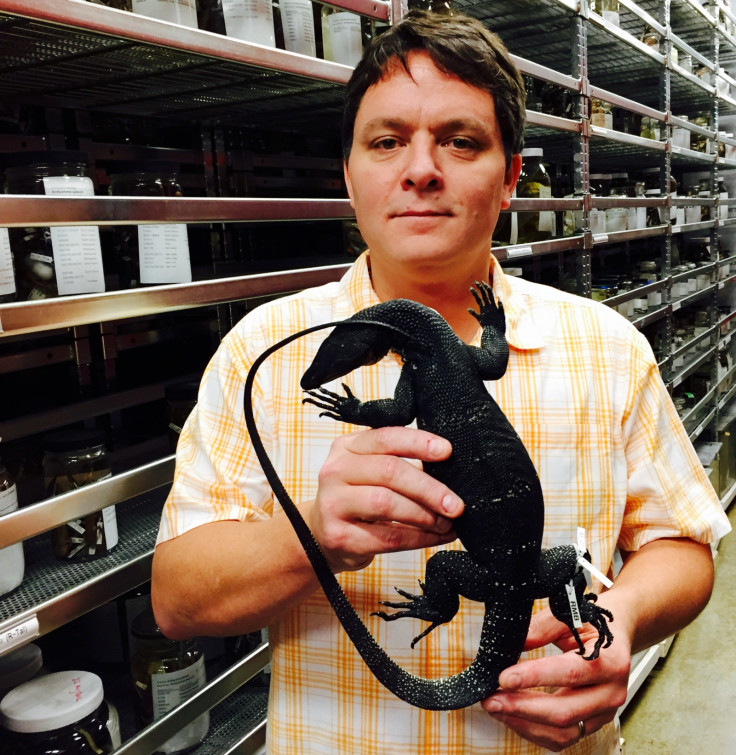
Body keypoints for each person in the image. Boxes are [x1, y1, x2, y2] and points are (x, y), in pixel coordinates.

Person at [151, 10, 731, 754]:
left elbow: (685, 547)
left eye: (460, 141)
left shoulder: (608, 348)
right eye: (387, 141)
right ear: (350, 172)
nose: (420, 168)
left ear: (512, 175)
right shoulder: (258, 351)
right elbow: (175, 599)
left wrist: (612, 623)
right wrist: (313, 536)